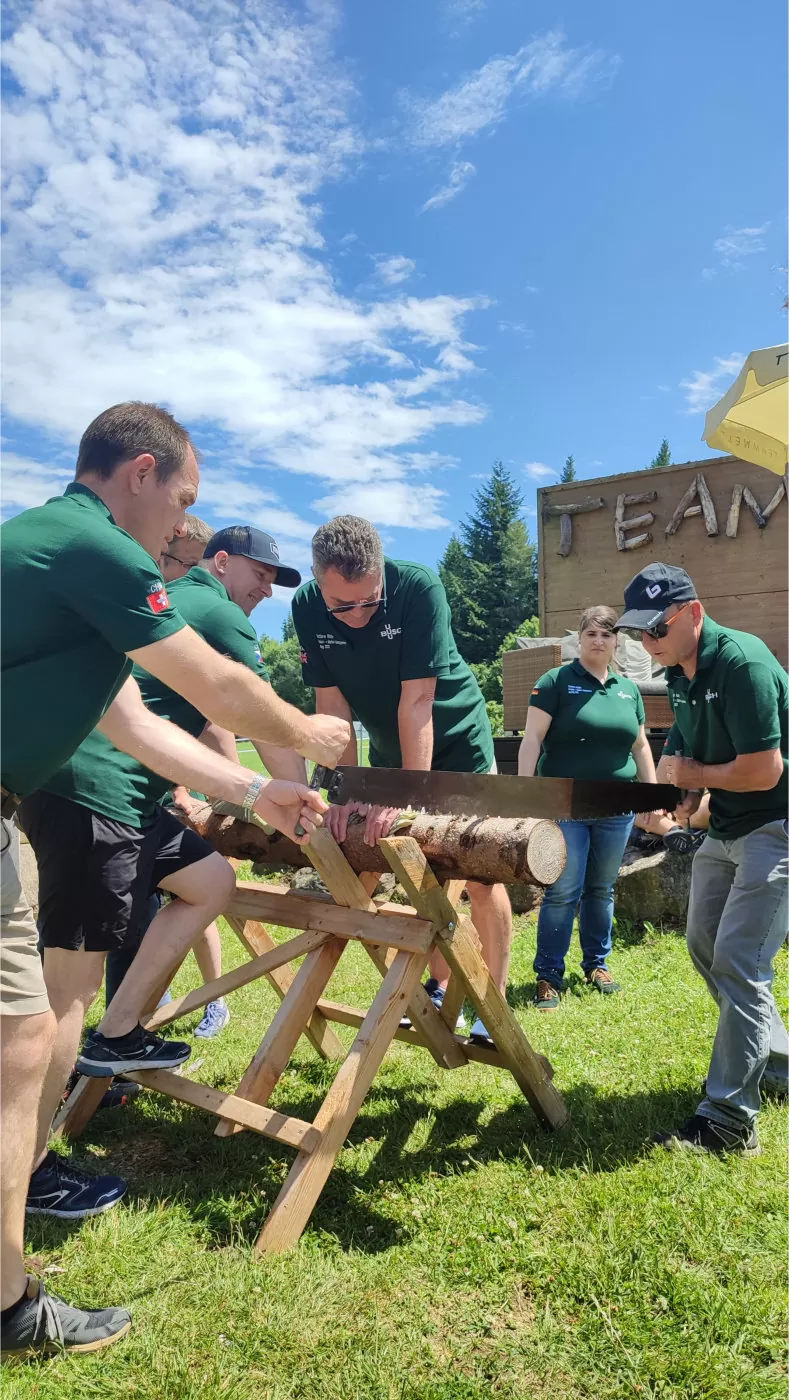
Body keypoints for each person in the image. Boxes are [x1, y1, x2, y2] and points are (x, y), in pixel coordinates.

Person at [1, 402, 349, 1357]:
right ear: (142, 473)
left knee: (25, 1040)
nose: (181, 529)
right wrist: (309, 738)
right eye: (182, 500)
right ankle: (9, 1304)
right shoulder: (92, 546)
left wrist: (252, 792)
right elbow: (215, 689)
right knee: (26, 1039)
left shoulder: (57, 557)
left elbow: (137, 726)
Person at [291, 515, 513, 1047]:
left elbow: (418, 702)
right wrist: (348, 789)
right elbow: (332, 707)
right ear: (319, 580)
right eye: (343, 606)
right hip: (395, 752)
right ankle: (439, 988)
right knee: (423, 872)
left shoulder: (417, 587)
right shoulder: (304, 606)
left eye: (370, 600)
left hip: (454, 741)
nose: (359, 615)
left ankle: (493, 1003)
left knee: (482, 873)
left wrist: (409, 798)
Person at [615, 562, 788, 1155]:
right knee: (704, 944)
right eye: (639, 632)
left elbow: (765, 770)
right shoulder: (680, 673)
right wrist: (676, 801)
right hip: (730, 826)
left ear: (693, 612)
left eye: (655, 630)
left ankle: (728, 1122)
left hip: (778, 825)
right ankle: (780, 1067)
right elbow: (683, 751)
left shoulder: (743, 663)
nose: (646, 643)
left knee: (741, 960)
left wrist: (697, 777)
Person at [518, 605, 658, 1011]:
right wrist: (527, 796)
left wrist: (649, 796)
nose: (599, 641)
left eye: (607, 634)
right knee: (563, 890)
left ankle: (597, 965)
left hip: (618, 807)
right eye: (592, 634)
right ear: (579, 639)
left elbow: (641, 746)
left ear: (617, 641)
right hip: (566, 805)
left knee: (601, 888)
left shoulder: (628, 690)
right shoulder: (555, 681)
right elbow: (532, 741)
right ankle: (548, 975)